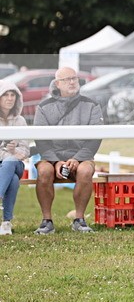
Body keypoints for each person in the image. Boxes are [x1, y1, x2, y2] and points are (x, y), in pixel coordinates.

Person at [33, 67, 103, 234]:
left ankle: (79, 220)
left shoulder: (92, 105)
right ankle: (46, 221)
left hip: (81, 156)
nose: (72, 82)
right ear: (57, 84)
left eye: (74, 78)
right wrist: (55, 161)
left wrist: (77, 159)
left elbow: (96, 137)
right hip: (52, 157)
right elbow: (41, 140)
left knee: (85, 170)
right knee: (43, 171)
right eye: (67, 79)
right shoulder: (43, 107)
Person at [0, 81, 29, 235]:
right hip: (4, 168)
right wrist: (7, 153)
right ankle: (6, 223)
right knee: (13, 180)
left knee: (10, 162)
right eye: (6, 95)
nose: (10, 98)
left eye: (13, 95)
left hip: (16, 163)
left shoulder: (20, 121)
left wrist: (13, 151)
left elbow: (25, 151)